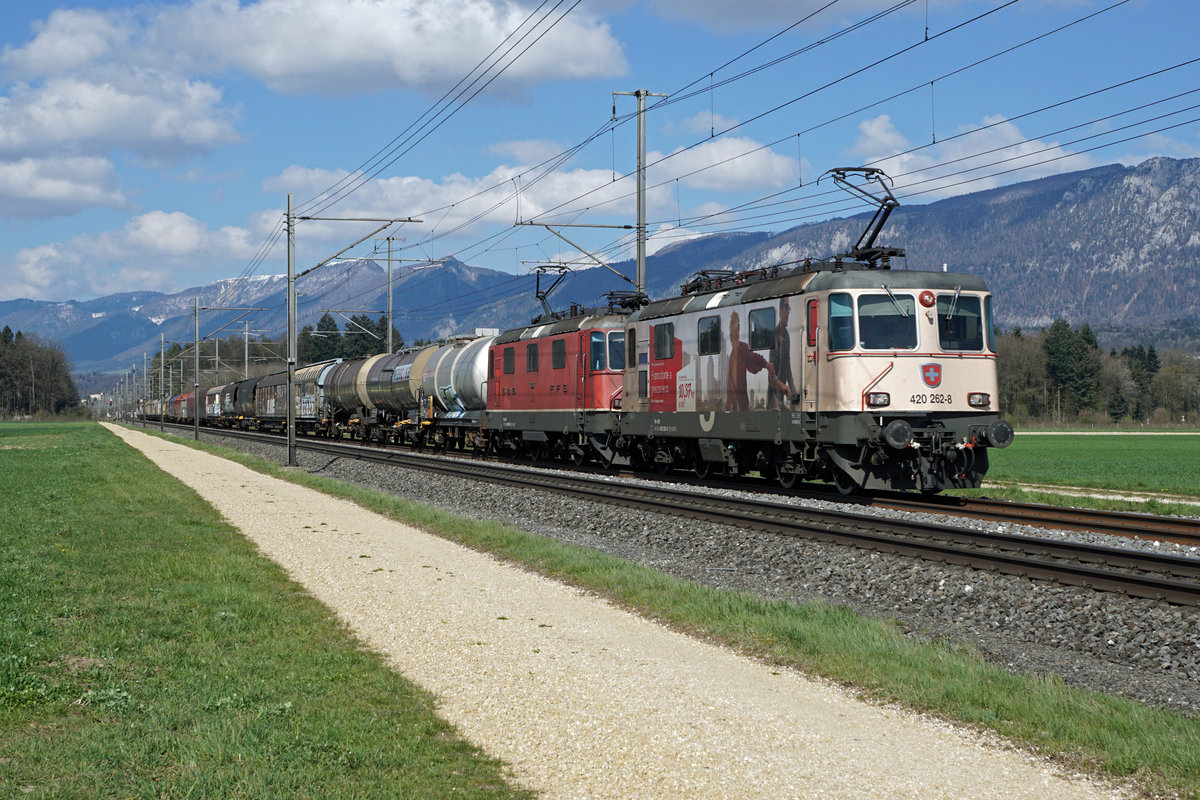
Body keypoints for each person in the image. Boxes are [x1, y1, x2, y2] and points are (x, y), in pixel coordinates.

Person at [725, 311, 775, 411]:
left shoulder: (742, 348)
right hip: (736, 405)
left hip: (742, 403)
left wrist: (766, 364)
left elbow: (753, 358)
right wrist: (728, 403)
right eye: (735, 327)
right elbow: (730, 383)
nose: (737, 330)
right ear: (731, 330)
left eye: (738, 327)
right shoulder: (732, 356)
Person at [767, 297, 795, 409]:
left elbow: (788, 368)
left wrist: (793, 389)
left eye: (789, 308)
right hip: (773, 395)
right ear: (780, 310)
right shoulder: (774, 335)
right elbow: (771, 374)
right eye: (786, 307)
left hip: (782, 395)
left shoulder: (787, 336)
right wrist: (784, 387)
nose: (788, 311)